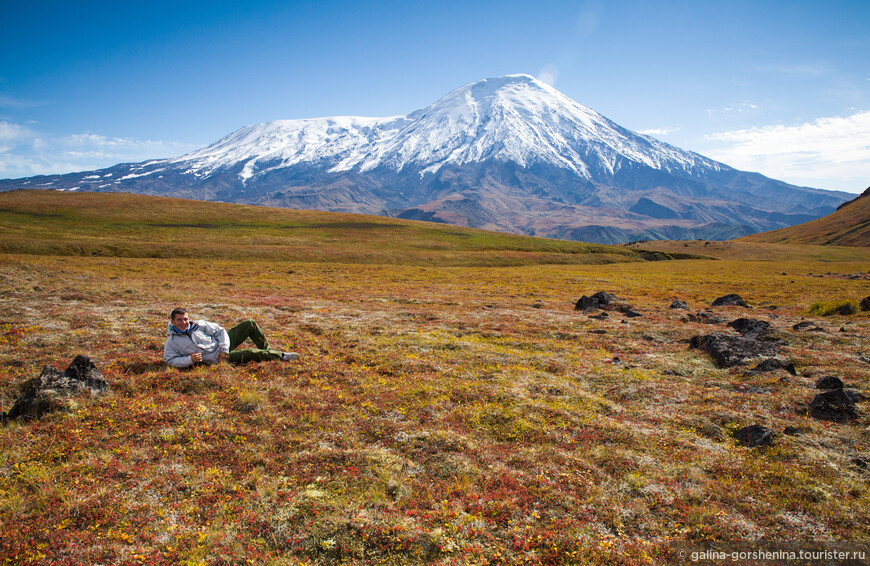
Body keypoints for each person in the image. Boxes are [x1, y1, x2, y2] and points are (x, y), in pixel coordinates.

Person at [164, 308, 299, 368]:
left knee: (249, 324)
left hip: (223, 348)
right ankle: (282, 356)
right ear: (173, 321)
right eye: (179, 320)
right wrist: (189, 360)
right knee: (250, 353)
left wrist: (224, 348)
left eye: (185, 319)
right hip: (217, 359)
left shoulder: (199, 324)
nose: (183, 323)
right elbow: (170, 360)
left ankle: (267, 353)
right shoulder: (172, 342)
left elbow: (220, 330)